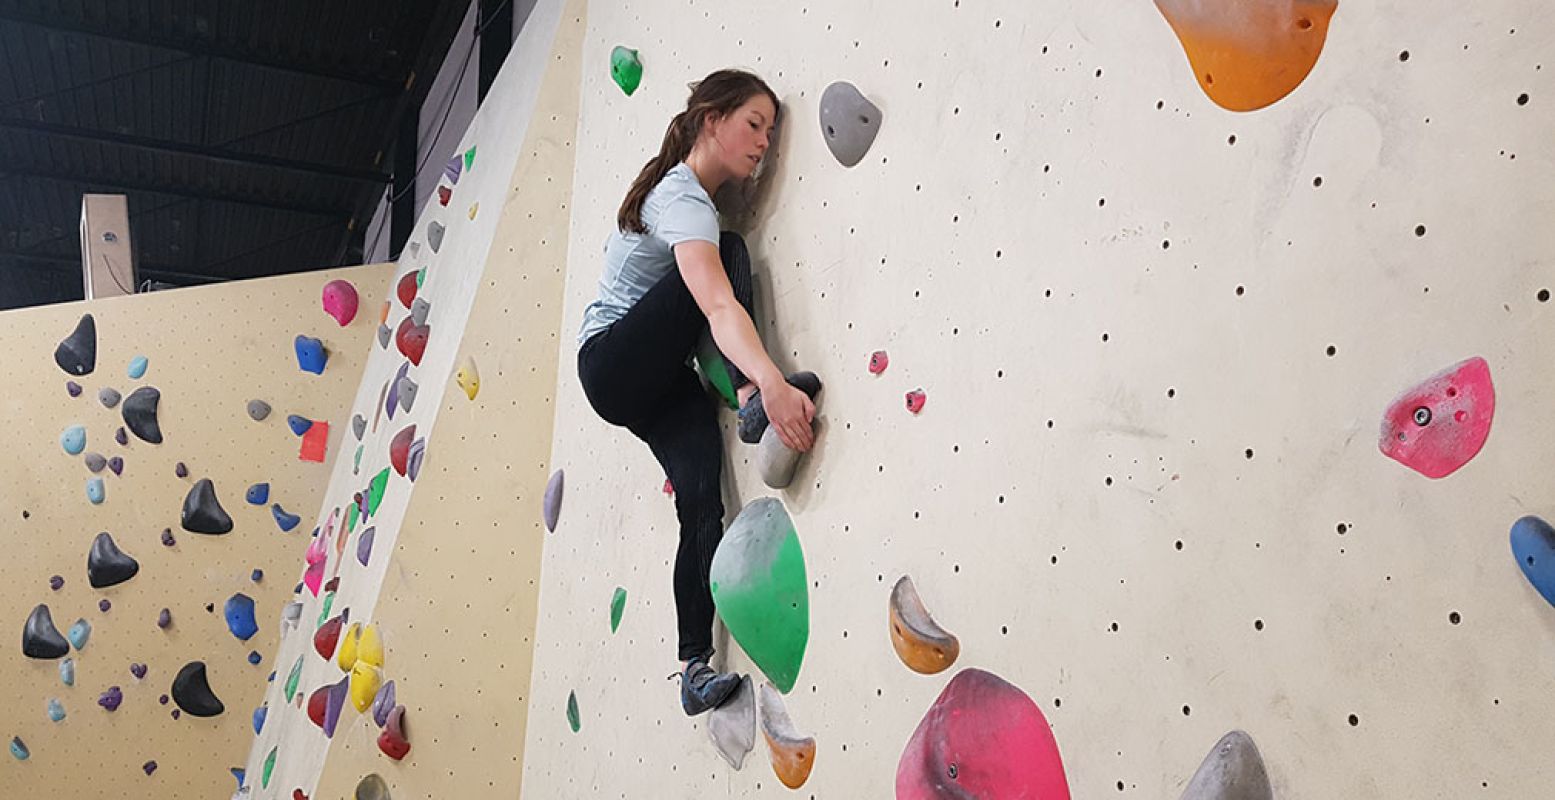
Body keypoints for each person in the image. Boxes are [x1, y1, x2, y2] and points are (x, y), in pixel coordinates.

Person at [576, 69, 821, 715]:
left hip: (656, 384)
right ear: (711, 119)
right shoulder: (680, 198)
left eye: (771, 131)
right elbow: (712, 303)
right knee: (721, 260)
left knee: (701, 506)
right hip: (609, 365)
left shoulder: (691, 204)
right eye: (753, 124)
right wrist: (768, 381)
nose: (764, 142)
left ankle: (693, 665)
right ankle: (748, 400)